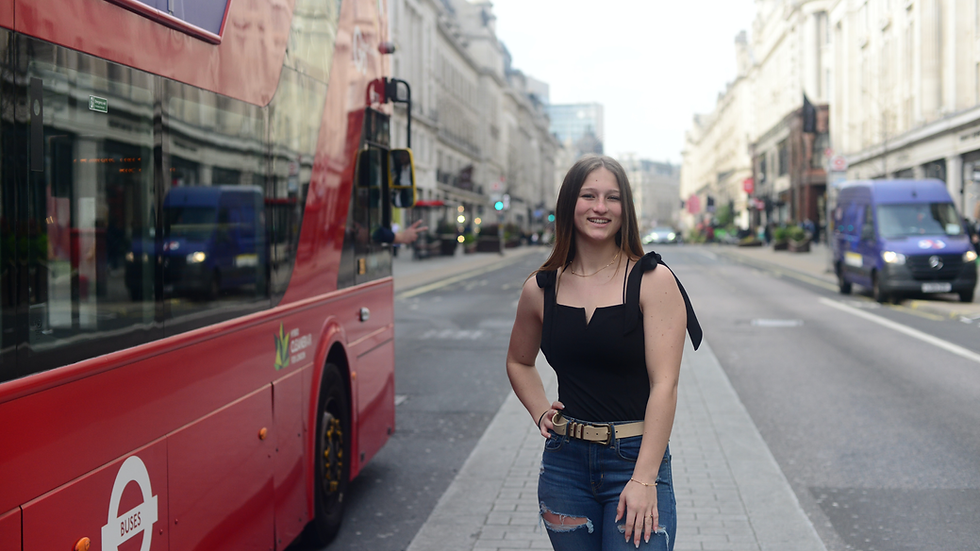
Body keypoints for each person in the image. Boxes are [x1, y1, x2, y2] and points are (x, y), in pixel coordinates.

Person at [506, 155, 702, 550]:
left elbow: (665, 384)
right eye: (588, 195)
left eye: (612, 197)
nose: (600, 207)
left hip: (635, 457)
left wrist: (644, 478)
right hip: (565, 465)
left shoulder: (652, 280)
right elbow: (518, 361)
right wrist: (540, 409)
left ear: (624, 209)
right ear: (569, 204)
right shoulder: (541, 288)